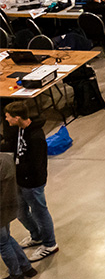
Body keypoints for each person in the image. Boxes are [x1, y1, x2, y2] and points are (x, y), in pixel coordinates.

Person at [1, 102, 56, 263]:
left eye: (8, 117)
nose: (6, 119)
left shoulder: (36, 136)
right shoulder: (19, 129)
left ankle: (50, 244)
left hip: (32, 183)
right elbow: (13, 147)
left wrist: (19, 171)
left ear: (17, 117)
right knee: (20, 211)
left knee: (40, 212)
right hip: (20, 180)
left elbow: (35, 165)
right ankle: (36, 235)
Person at [0, 151, 36, 279]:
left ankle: (16, 275)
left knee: (3, 243)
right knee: (7, 238)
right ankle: (26, 267)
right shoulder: (6, 158)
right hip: (7, 206)